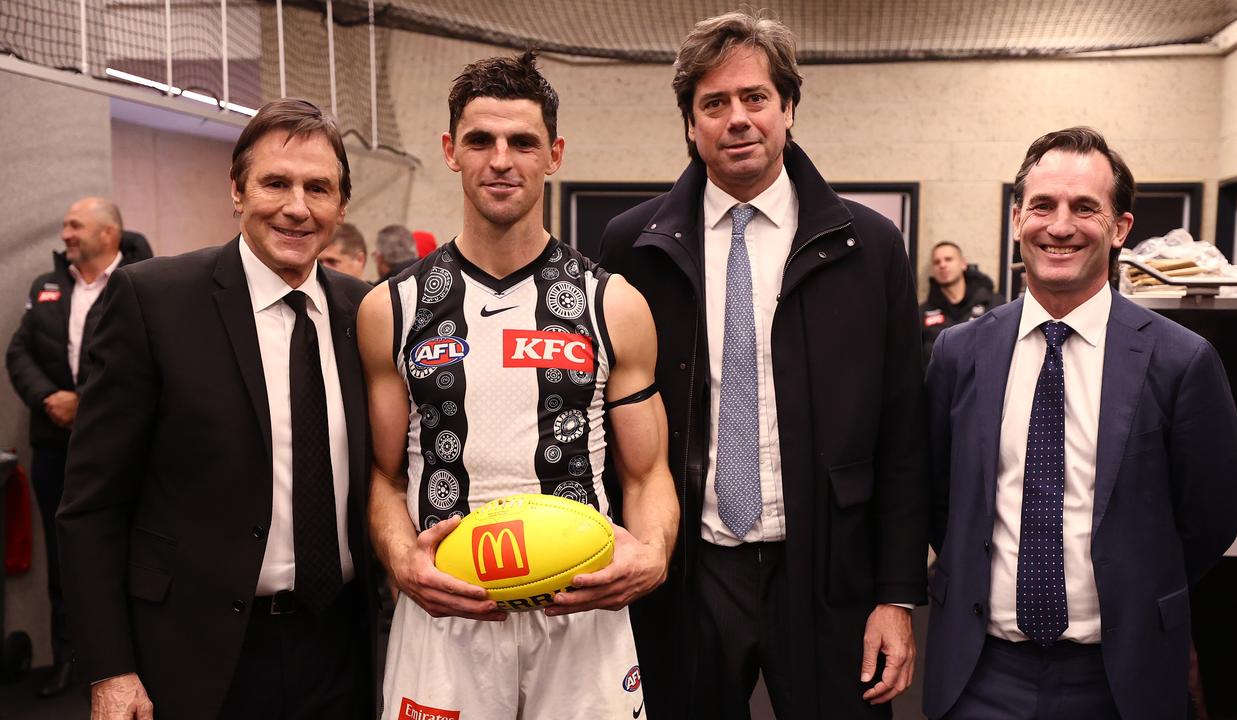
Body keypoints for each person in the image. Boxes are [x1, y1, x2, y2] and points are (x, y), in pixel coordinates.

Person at [598, 11, 928, 719]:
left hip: (829, 573)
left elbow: (905, 434)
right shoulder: (633, 247)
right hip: (688, 572)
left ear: (789, 109)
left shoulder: (867, 247)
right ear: (690, 124)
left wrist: (896, 596)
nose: (737, 118)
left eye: (755, 98)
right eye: (714, 103)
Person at [361, 51, 677, 720]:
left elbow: (648, 475)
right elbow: (383, 477)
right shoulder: (392, 307)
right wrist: (400, 560)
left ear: (553, 154)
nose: (500, 160)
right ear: (451, 150)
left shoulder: (611, 304)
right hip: (445, 612)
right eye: (480, 140)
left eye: (522, 142)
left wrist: (652, 555)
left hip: (579, 613)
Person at [56, 98, 377, 719]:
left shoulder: (364, 313)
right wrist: (110, 668)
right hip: (196, 653)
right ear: (236, 190)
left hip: (340, 647)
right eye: (275, 183)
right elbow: (91, 506)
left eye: (319, 188)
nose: (296, 206)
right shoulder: (153, 301)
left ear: (342, 206)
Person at [923, 127, 1237, 719]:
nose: (1060, 225)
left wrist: (1136, 582)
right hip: (981, 674)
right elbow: (942, 501)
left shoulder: (1182, 361)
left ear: (1120, 228)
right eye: (1042, 205)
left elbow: (1209, 518)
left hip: (1121, 677)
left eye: (1084, 208)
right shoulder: (958, 354)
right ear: (1017, 219)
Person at [5, 198, 151, 698]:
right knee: (66, 552)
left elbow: (143, 368)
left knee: (129, 547)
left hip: (119, 448)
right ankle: (72, 657)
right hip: (54, 446)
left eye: (75, 225)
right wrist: (49, 398)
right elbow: (19, 350)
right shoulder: (48, 286)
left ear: (110, 232)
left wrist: (84, 404)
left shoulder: (145, 283)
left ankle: (135, 657)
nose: (65, 233)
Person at [920, 241, 1004, 359]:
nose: (942, 265)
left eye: (948, 259)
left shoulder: (994, 304)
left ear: (963, 264)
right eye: (936, 262)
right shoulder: (922, 313)